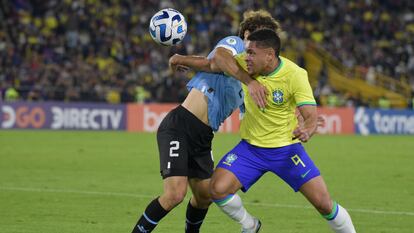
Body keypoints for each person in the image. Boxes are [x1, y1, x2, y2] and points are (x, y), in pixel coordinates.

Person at [130, 11, 278, 233]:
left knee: (204, 196)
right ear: (247, 34)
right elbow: (216, 60)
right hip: (180, 125)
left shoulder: (252, 79)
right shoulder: (235, 44)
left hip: (203, 136)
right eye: (259, 38)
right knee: (175, 195)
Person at [210, 29, 357, 233]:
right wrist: (250, 82)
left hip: (286, 151)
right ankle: (250, 225)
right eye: (246, 52)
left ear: (269, 55)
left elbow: (311, 116)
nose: (246, 57)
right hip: (250, 150)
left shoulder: (295, 74)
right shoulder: (246, 65)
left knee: (324, 204)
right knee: (217, 190)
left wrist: (308, 129)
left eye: (252, 53)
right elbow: (219, 56)